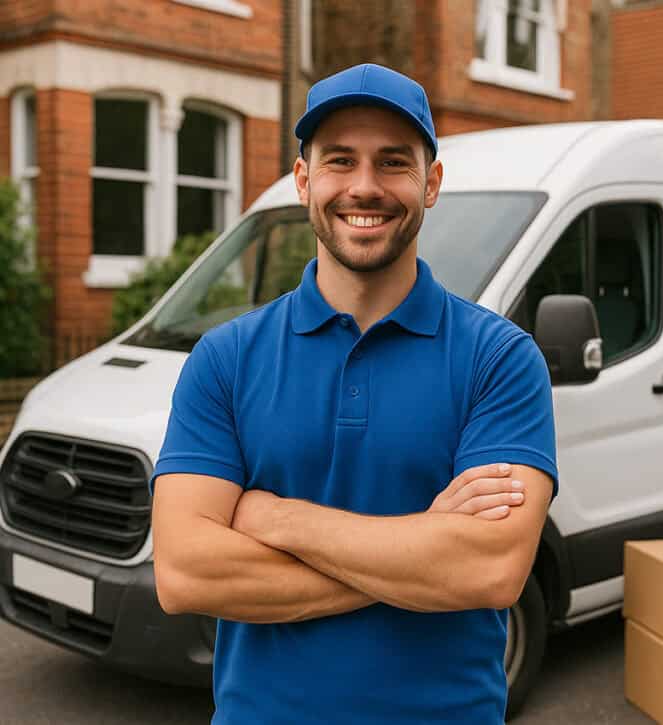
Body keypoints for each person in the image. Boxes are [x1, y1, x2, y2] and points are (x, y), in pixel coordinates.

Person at [150, 63, 557, 724]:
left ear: (431, 183)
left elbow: (491, 570)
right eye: (340, 160)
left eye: (393, 162)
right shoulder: (223, 360)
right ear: (304, 180)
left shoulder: (501, 359)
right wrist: (422, 553)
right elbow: (186, 573)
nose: (364, 187)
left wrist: (279, 519)